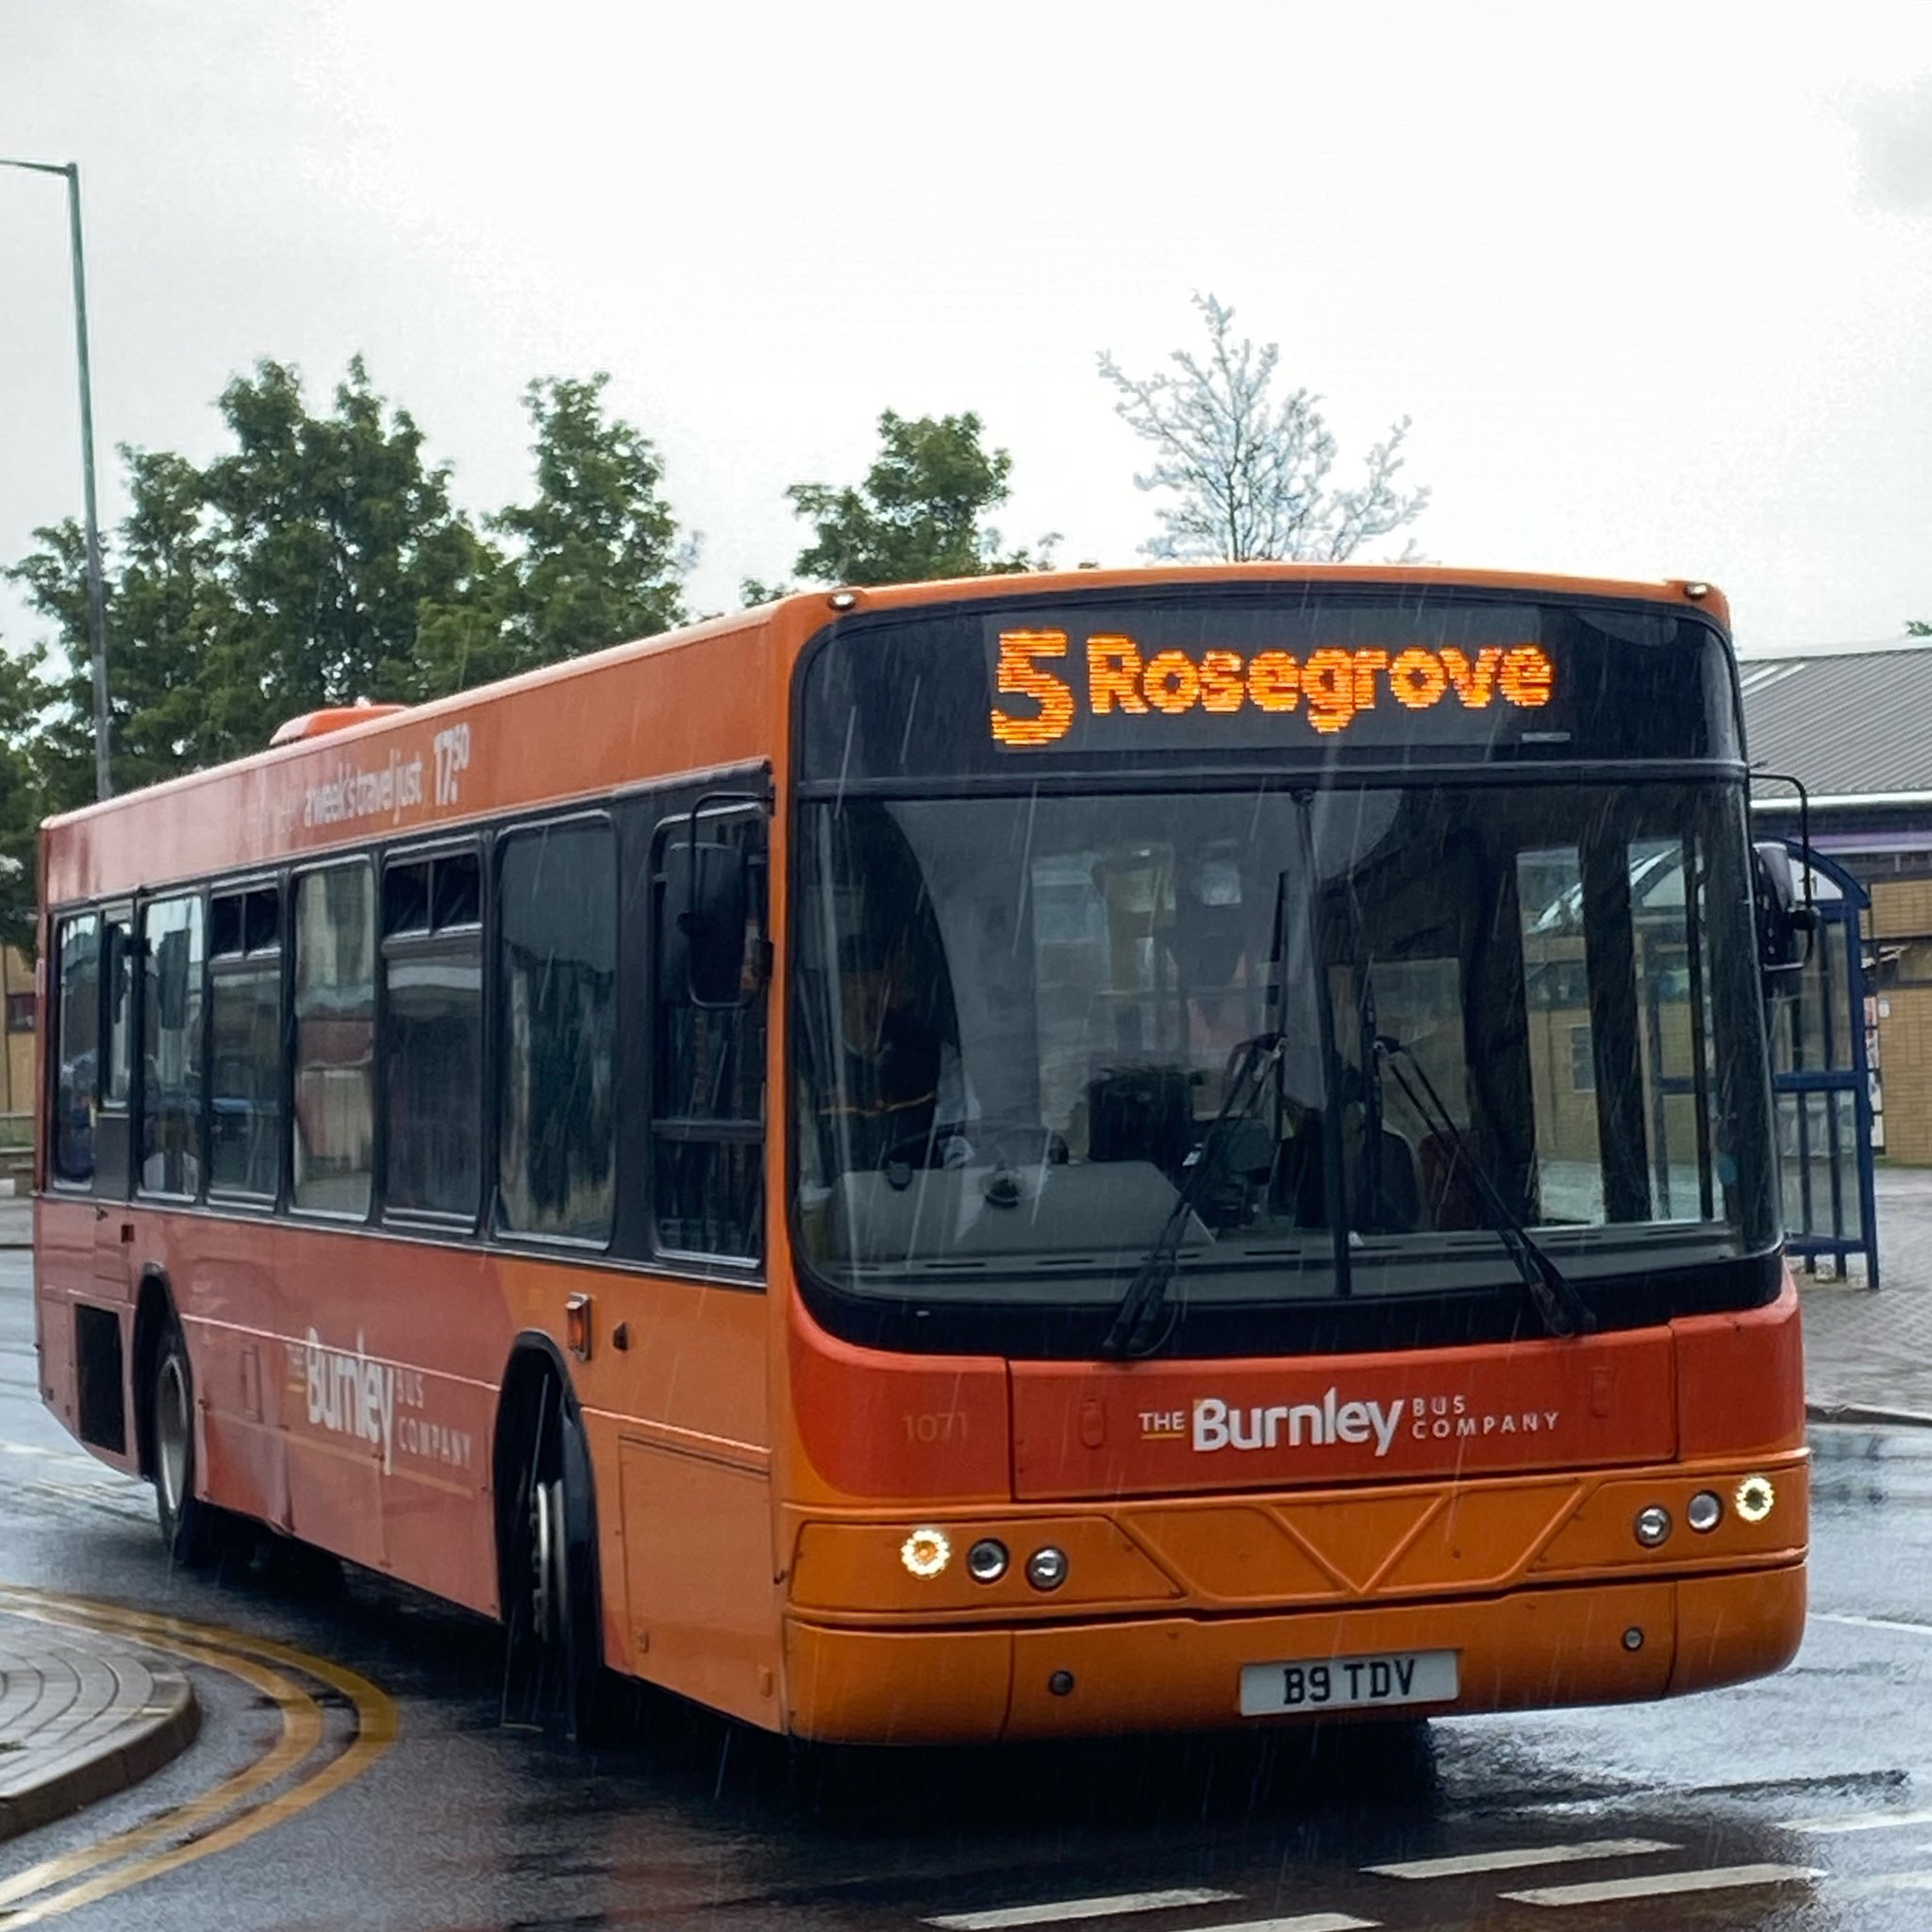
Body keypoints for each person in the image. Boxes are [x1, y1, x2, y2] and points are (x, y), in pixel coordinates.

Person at [820, 928, 975, 1174]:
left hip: (921, 1205)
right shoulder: (808, 1064)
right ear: (850, 989)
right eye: (897, 986)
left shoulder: (936, 1058)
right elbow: (806, 1175)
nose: (910, 997)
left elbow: (961, 1148)